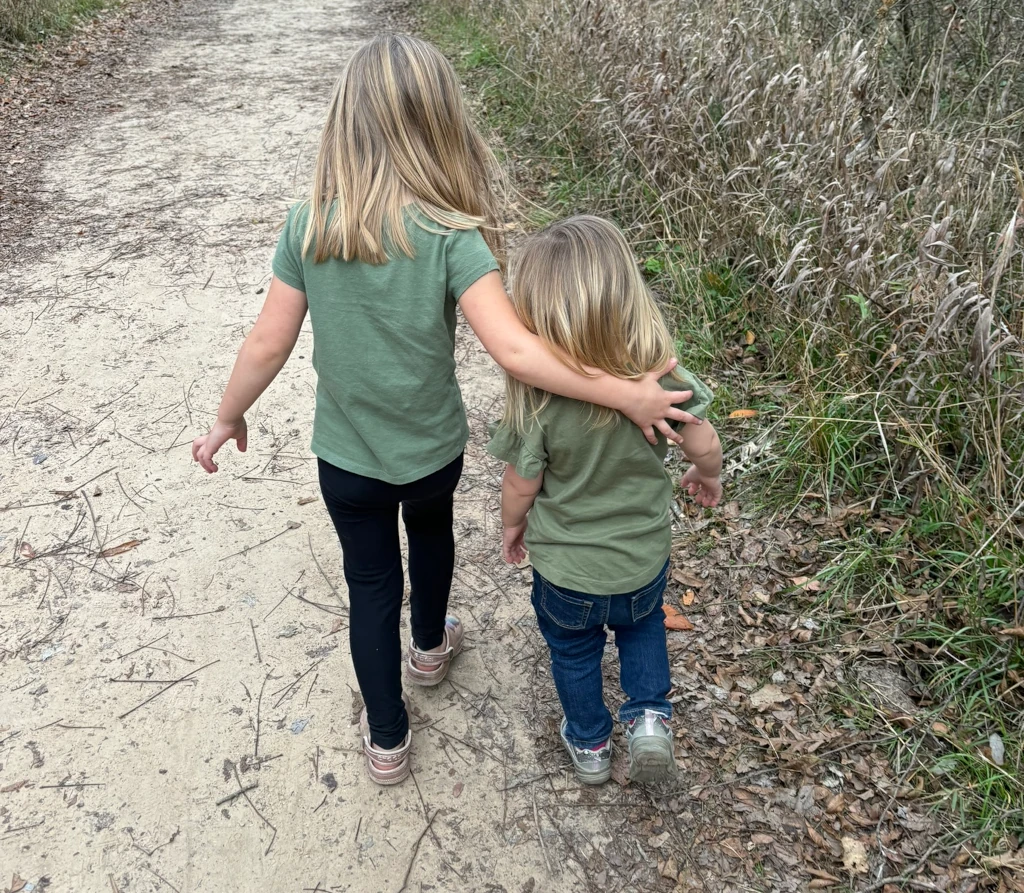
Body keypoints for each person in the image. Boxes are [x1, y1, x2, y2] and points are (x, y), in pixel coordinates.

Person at [191, 35, 704, 786]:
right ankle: (430, 648)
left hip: (346, 458)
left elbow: (267, 343)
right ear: (440, 126)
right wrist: (625, 391)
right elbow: (520, 354)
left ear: (345, 122)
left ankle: (388, 739)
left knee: (369, 583)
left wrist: (228, 416)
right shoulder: (450, 235)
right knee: (429, 535)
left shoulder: (309, 226)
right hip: (431, 451)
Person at [487, 216, 723, 785]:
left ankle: (591, 744)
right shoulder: (659, 379)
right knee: (643, 631)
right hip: (641, 560)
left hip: (568, 569)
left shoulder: (540, 400)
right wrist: (706, 474)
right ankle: (647, 718)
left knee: (573, 652)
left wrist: (512, 526)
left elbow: (522, 482)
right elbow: (704, 437)